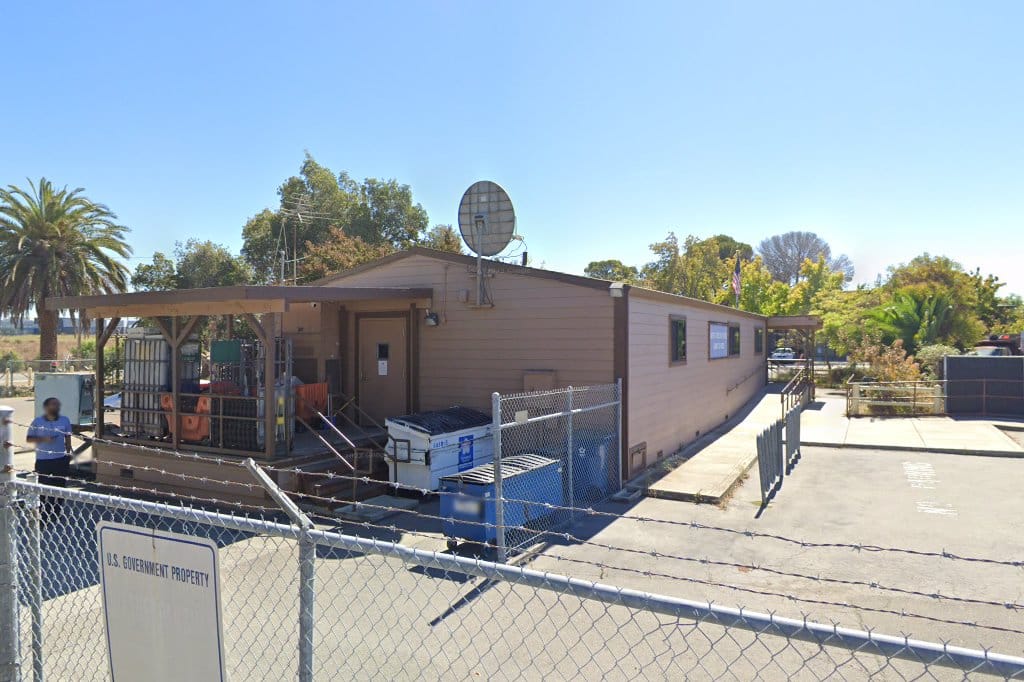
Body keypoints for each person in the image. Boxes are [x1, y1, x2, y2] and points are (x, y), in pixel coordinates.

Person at [26, 397, 73, 521]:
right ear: (46, 407)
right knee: (43, 486)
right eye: (53, 405)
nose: (56, 407)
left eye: (57, 405)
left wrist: (68, 452)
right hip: (43, 460)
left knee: (59, 486)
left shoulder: (65, 420)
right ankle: (42, 512)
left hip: (60, 459)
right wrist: (44, 439)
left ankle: (56, 513)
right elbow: (29, 439)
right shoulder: (37, 421)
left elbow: (68, 437)